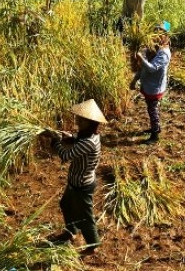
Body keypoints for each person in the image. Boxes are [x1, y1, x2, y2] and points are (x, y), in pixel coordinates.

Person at [45, 99, 107, 256]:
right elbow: (77, 139)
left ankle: (93, 245)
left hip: (82, 186)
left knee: (85, 216)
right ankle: (70, 231)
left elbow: (66, 155)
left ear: (89, 122)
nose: (77, 120)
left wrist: (55, 140)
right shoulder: (88, 135)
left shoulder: (88, 142)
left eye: (81, 119)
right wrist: (69, 137)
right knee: (65, 204)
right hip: (75, 182)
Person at [129, 22, 171, 144]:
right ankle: (154, 127)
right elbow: (142, 68)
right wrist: (134, 80)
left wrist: (141, 58)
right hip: (148, 85)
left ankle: (155, 135)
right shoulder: (152, 48)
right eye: (154, 32)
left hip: (154, 88)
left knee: (152, 110)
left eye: (159, 33)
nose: (156, 36)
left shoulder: (164, 53)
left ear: (165, 35)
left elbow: (152, 68)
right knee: (151, 109)